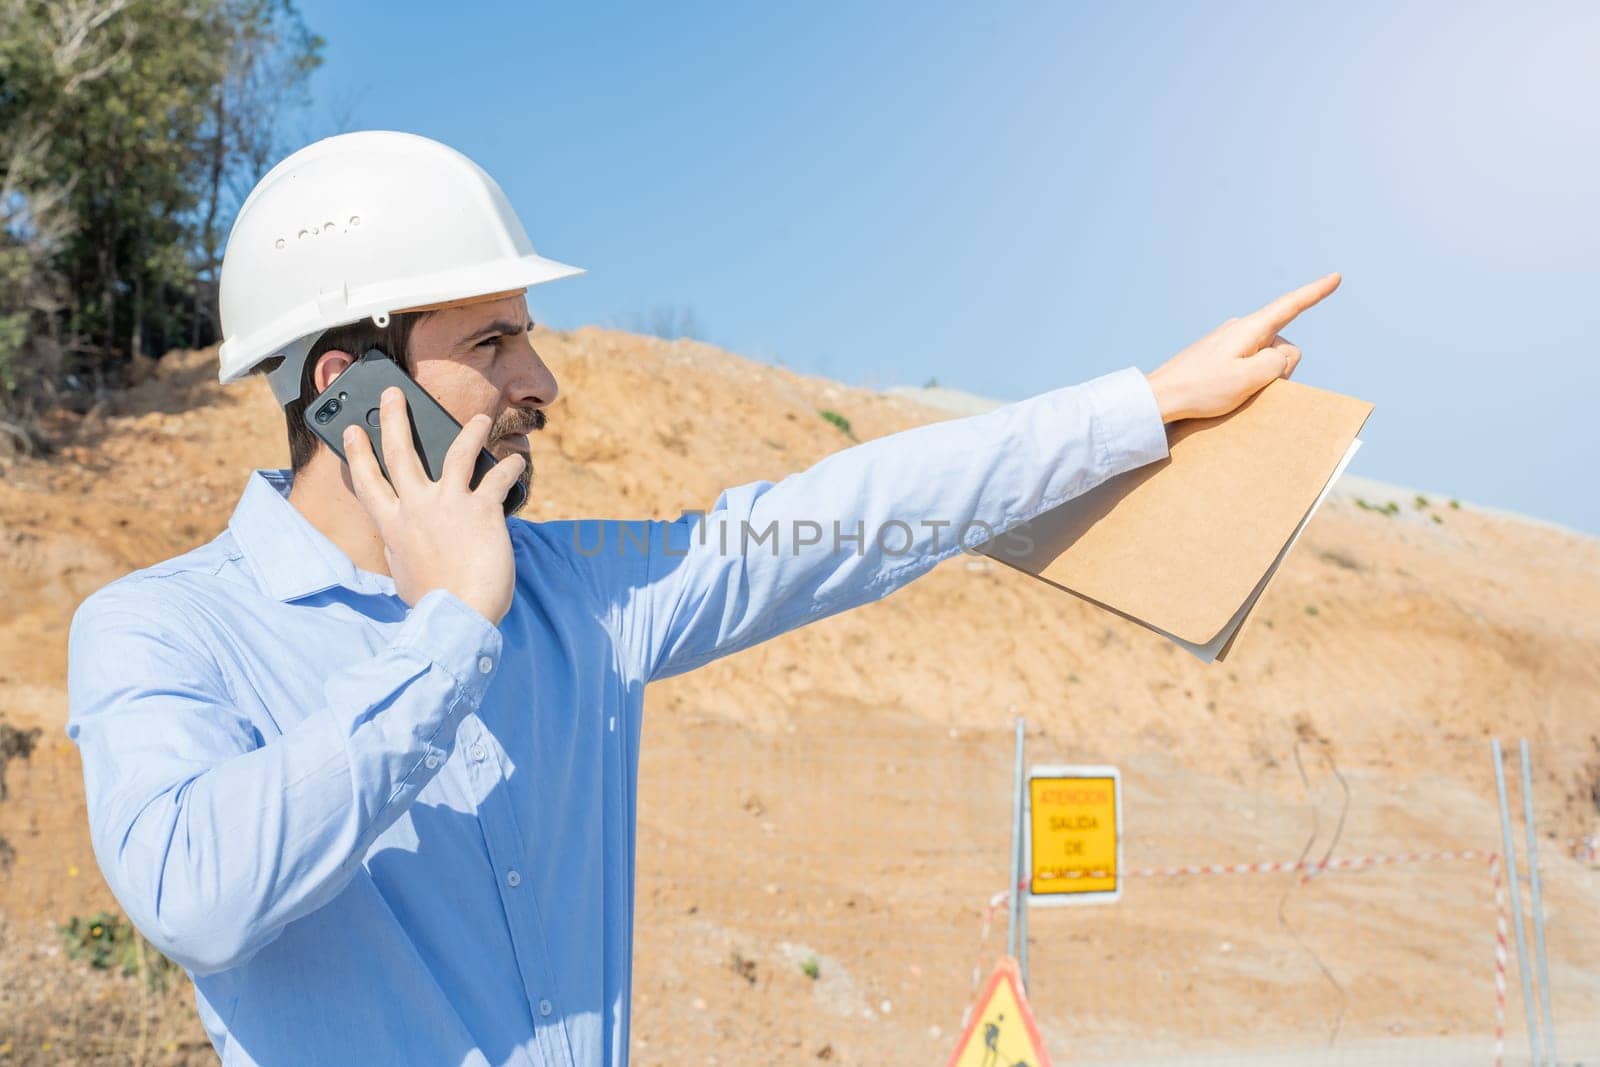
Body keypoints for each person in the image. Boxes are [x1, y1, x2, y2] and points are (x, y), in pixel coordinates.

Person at [65, 131, 1336, 1067]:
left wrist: (1142, 404)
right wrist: (449, 628)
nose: (544, 379)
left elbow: (840, 517)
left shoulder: (575, 595)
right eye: (493, 342)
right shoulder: (161, 628)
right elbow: (199, 896)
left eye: (527, 333)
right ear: (349, 386)